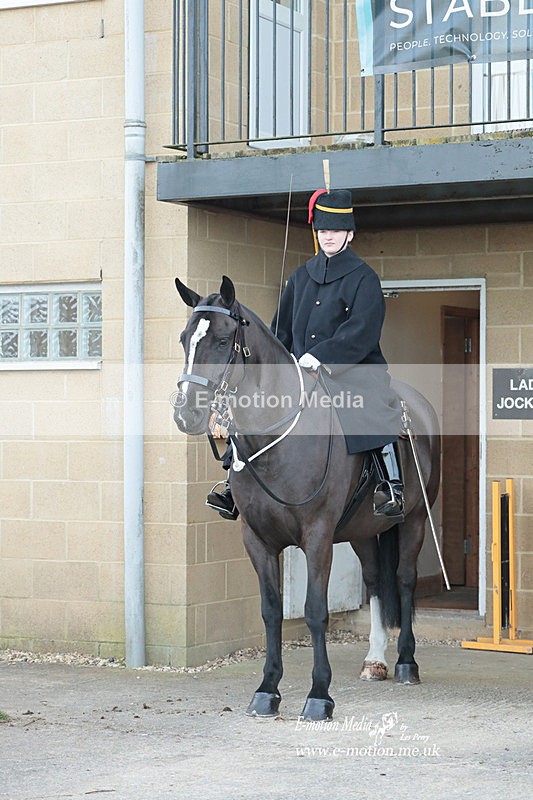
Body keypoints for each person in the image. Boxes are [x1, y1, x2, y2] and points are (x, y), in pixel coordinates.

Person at [207, 188, 403, 521]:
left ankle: (390, 485)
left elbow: (362, 331)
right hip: (297, 373)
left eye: (336, 230)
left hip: (351, 369)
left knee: (368, 406)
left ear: (350, 234)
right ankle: (232, 485)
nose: (329, 236)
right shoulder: (300, 277)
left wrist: (321, 356)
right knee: (252, 408)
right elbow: (278, 331)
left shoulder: (364, 278)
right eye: (323, 230)